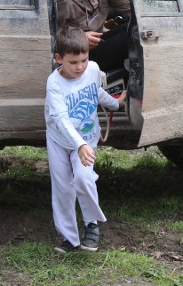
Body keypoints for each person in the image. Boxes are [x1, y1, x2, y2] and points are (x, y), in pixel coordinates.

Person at [45, 27, 127, 253]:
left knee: (83, 178)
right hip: (60, 140)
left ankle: (91, 225)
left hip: (86, 137)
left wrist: (116, 103)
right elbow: (60, 119)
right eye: (73, 62)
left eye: (84, 59)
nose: (80, 67)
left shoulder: (92, 69)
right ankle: (69, 238)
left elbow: (96, 92)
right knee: (62, 189)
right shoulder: (54, 84)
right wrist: (78, 145)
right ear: (59, 59)